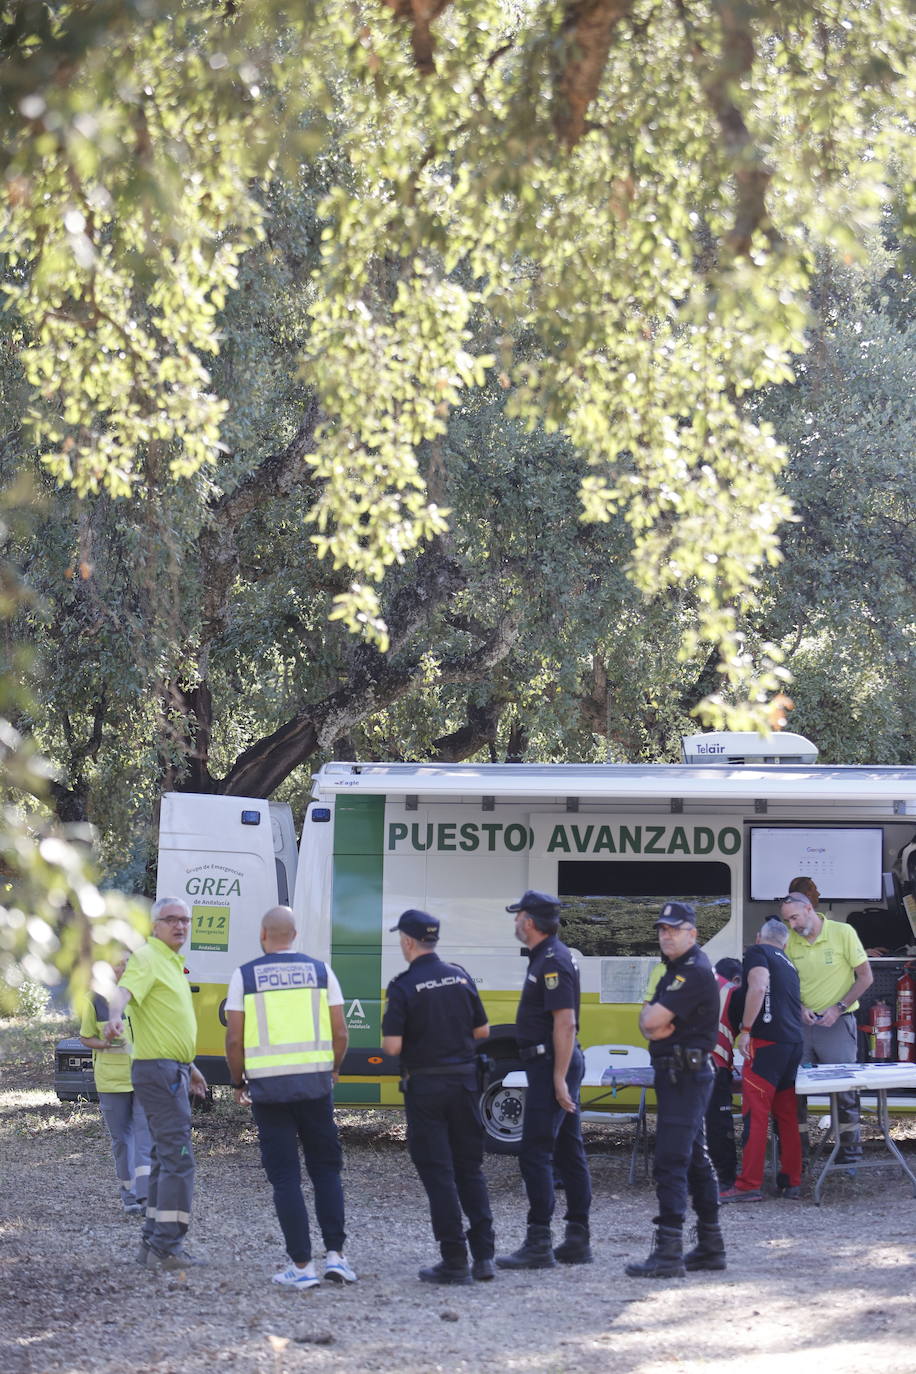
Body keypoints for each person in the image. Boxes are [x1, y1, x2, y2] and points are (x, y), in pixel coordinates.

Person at [224, 905, 355, 1290]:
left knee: (286, 1179)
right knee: (327, 1171)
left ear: (263, 934)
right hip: (315, 1087)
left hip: (269, 1091)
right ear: (295, 935)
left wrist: (237, 1082)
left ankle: (301, 1266)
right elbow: (341, 1032)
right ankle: (337, 1258)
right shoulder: (319, 971)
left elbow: (234, 1038)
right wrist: (333, 1068)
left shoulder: (245, 975)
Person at [381, 909, 494, 1286]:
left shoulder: (402, 986)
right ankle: (484, 1257)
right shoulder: (461, 977)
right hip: (465, 1085)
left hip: (427, 1089)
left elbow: (392, 1046)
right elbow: (483, 1030)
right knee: (470, 1170)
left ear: (408, 941)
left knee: (439, 1175)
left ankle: (454, 1260)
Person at [105, 898, 208, 1269]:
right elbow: (122, 992)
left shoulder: (171, 962)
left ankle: (154, 1246)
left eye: (185, 920)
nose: (180, 926)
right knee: (180, 1159)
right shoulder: (148, 957)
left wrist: (190, 1066)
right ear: (155, 926)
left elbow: (167, 1024)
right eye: (171, 920)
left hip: (172, 1069)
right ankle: (167, 1247)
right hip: (159, 1072)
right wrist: (114, 1017)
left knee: (169, 1159)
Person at [625, 902, 723, 1279]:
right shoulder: (674, 970)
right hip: (675, 1074)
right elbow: (648, 1021)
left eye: (674, 929)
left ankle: (668, 1253)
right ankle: (711, 1247)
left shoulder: (693, 972)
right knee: (694, 1157)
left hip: (686, 1075)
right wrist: (654, 1023)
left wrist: (655, 1022)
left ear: (693, 933)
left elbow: (651, 1019)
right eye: (662, 929)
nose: (666, 935)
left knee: (670, 1160)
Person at [496, 890, 592, 1270]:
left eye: (517, 916)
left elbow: (565, 1022)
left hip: (553, 1063)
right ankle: (576, 1239)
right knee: (569, 1150)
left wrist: (557, 1078)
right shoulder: (547, 956)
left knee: (536, 1151)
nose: (514, 922)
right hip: (554, 1063)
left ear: (530, 922)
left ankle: (539, 1241)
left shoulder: (552, 960)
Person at [781, 890, 874, 1165]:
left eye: (794, 918)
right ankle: (798, 1153)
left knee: (844, 1090)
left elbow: (866, 977)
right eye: (787, 920)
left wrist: (839, 1007)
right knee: (794, 1090)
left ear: (809, 909)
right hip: (800, 1027)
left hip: (837, 1024)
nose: (791, 925)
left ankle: (850, 1153)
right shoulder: (790, 941)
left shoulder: (843, 932)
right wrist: (799, 1008)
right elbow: (783, 983)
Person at [719, 919, 804, 1202]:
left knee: (755, 1114)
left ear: (758, 937)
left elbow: (757, 987)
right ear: (786, 942)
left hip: (766, 1042)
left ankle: (748, 1184)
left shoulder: (758, 953)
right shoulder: (789, 963)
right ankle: (792, 1181)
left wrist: (744, 1030)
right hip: (792, 1044)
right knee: (787, 1115)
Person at [79, 954, 151, 1216]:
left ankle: (145, 1195)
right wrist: (106, 1044)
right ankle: (129, 1194)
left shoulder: (142, 996)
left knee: (144, 1138)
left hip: (143, 1077)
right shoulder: (94, 1000)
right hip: (111, 1081)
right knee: (122, 1139)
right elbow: (86, 1037)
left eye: (128, 963)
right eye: (118, 964)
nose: (123, 968)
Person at [705, 957, 742, 1191]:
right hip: (714, 1065)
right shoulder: (732, 992)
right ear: (737, 978)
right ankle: (725, 1177)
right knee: (719, 1124)